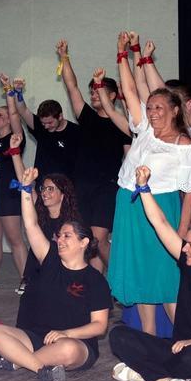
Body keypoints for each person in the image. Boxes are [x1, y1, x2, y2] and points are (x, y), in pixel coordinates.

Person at [0, 167, 111, 381]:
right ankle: (38, 368)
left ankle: (14, 362)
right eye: (59, 236)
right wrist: (25, 188)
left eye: (67, 236)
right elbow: (31, 224)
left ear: (84, 242)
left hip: (74, 343)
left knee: (68, 349)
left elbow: (99, 326)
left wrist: (65, 333)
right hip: (36, 338)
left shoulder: (94, 279)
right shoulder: (49, 258)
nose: (60, 240)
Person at [109, 32, 191, 336]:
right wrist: (122, 54)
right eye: (150, 108)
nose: (152, 112)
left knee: (166, 279)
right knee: (140, 275)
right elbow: (129, 90)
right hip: (130, 206)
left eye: (159, 107)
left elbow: (190, 194)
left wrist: (182, 235)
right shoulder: (146, 131)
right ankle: (148, 341)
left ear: (176, 109)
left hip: (161, 211)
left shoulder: (185, 145)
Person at [109, 166, 191, 381]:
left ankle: (144, 372)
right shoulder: (188, 266)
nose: (184, 248)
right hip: (176, 350)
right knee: (119, 336)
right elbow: (160, 223)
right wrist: (143, 188)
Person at [55, 39, 132, 271]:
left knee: (98, 241)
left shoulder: (123, 125)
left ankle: (121, 280)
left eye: (99, 91)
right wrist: (64, 58)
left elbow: (130, 158)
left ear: (113, 96)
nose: (94, 95)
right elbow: (72, 87)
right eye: (92, 91)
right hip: (82, 186)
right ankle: (96, 288)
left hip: (107, 187)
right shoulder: (87, 116)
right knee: (86, 241)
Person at [8, 133, 81, 296]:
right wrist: (15, 152)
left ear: (63, 195)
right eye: (44, 188)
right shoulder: (39, 211)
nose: (45, 193)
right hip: (37, 275)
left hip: (61, 280)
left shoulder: (72, 223)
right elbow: (24, 182)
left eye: (51, 189)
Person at [0, 74, 29, 290]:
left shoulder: (16, 139)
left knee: (15, 238)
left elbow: (15, 115)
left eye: (0, 114)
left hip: (10, 195)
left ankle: (26, 278)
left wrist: (9, 91)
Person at [8, 78, 79, 181]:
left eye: (50, 123)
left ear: (60, 116)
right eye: (43, 123)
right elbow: (22, 110)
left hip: (66, 187)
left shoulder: (76, 132)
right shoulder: (41, 128)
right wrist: (18, 92)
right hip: (42, 185)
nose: (46, 126)